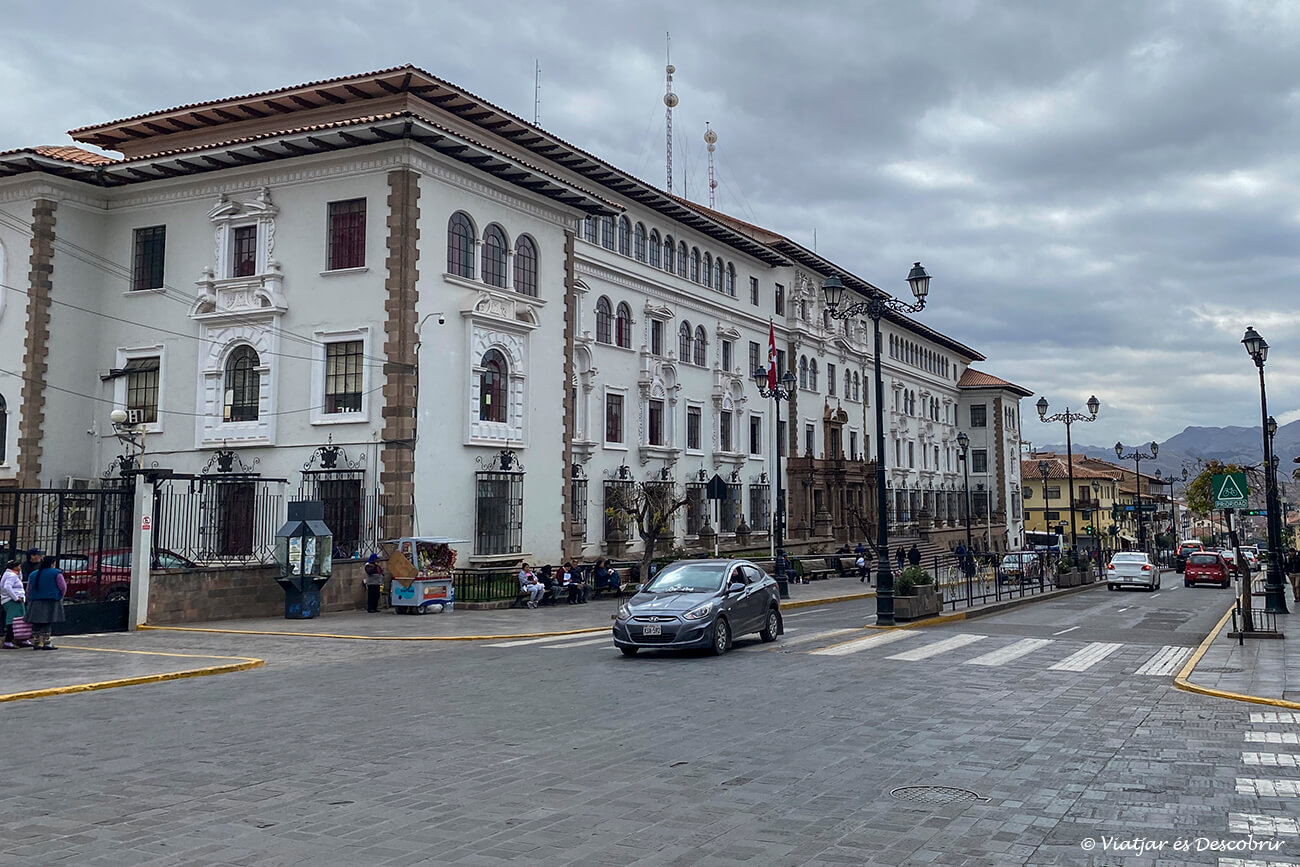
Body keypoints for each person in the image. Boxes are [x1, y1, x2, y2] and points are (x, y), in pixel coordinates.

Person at [25, 555, 65, 650]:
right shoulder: (56, 573)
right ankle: (47, 643)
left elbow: (28, 589)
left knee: (36, 622)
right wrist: (60, 596)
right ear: (52, 564)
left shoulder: (33, 574)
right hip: (50, 600)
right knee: (47, 622)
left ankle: (36, 642)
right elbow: (63, 587)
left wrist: (29, 598)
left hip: (35, 601)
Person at [2, 559, 30, 648]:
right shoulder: (12, 576)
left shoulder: (9, 574)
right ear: (15, 567)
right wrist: (15, 598)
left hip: (9, 600)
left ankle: (21, 639)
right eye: (19, 566)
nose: (20, 568)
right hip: (13, 601)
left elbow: (20, 578)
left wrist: (19, 572)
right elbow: (7, 587)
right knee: (15, 621)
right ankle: (9, 640)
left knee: (18, 620)